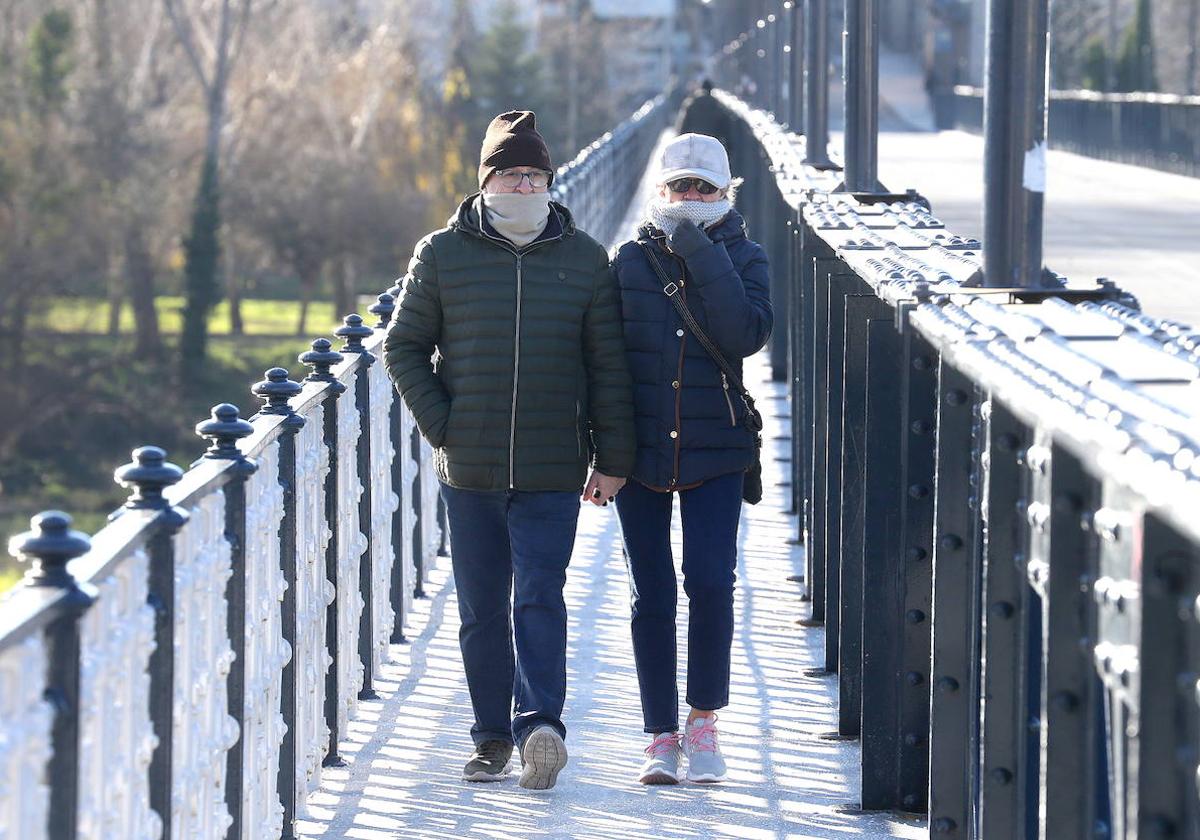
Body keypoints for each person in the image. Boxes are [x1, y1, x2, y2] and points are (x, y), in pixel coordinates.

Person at [384, 111, 635, 790]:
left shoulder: (584, 258)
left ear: (550, 182)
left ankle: (540, 727)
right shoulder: (440, 254)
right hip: (468, 470)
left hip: (554, 466)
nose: (524, 185)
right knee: (481, 610)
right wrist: (446, 424)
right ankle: (490, 736)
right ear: (486, 180)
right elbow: (403, 346)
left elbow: (608, 366)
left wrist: (613, 458)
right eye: (511, 173)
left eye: (535, 175)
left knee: (541, 596)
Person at [610, 132, 772, 785]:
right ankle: (660, 735)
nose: (691, 197)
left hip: (717, 445)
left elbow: (745, 334)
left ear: (726, 193)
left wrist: (699, 249)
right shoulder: (627, 260)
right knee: (649, 592)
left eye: (704, 188)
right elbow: (605, 362)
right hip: (640, 451)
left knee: (709, 581)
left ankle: (704, 722)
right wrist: (605, 452)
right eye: (681, 187)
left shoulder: (747, 255)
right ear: (661, 190)